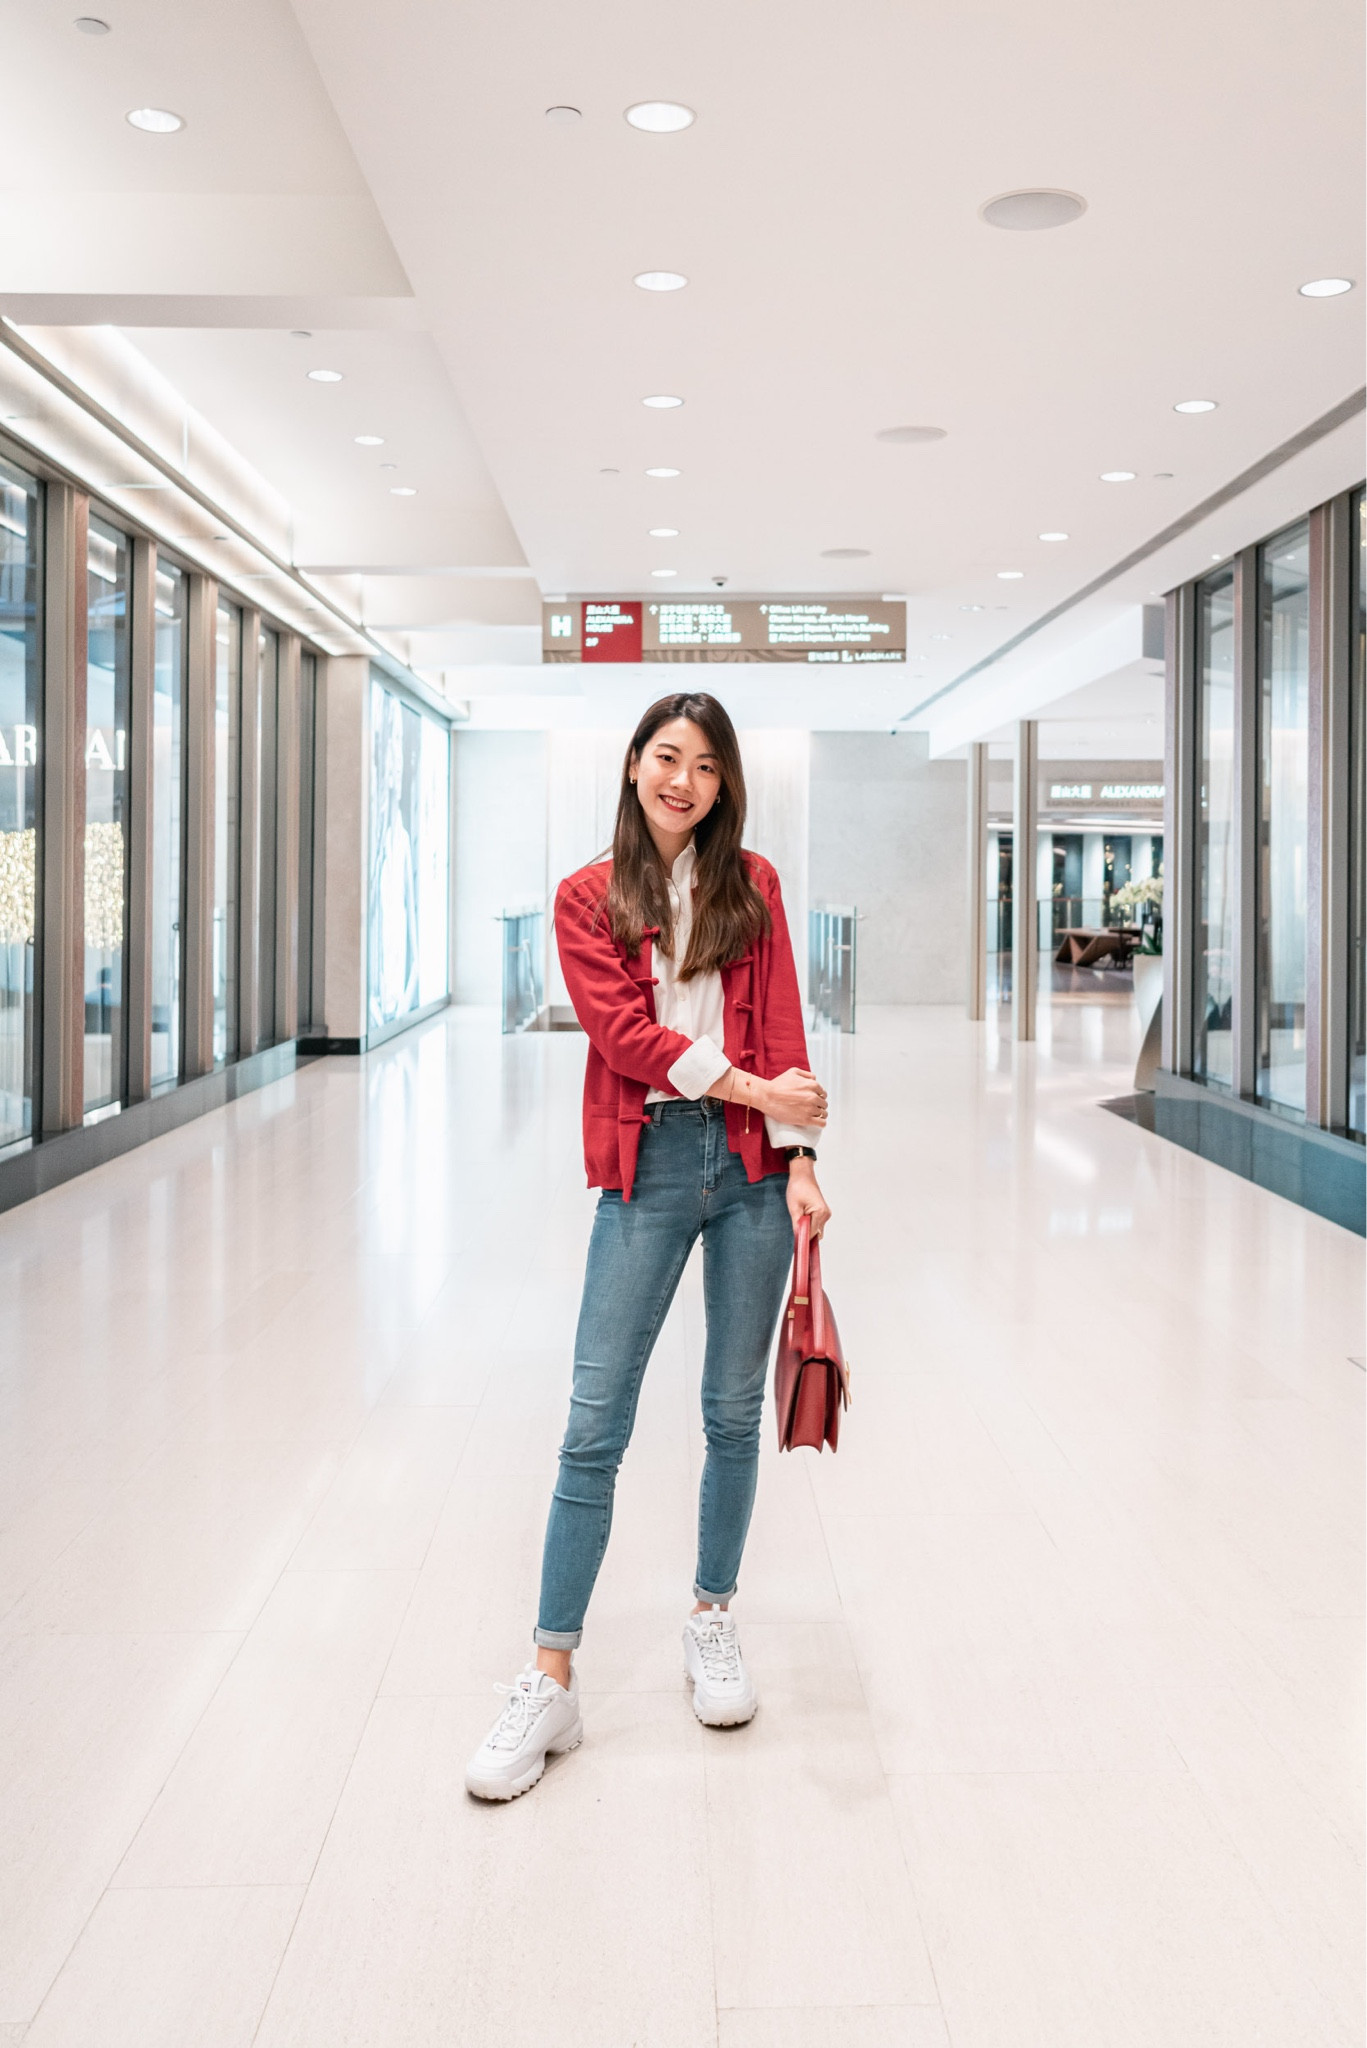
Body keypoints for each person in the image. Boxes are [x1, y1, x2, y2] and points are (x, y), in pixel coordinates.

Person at [466, 692, 831, 1801]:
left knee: (729, 1411)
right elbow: (624, 1036)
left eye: (707, 765)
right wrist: (750, 1086)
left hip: (756, 1172)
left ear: (724, 786)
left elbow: (780, 1027)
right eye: (668, 756)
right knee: (594, 1420)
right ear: (631, 766)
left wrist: (802, 1152)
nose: (685, 779)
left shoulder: (751, 880)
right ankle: (550, 1672)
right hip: (652, 1166)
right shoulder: (588, 895)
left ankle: (710, 1616)